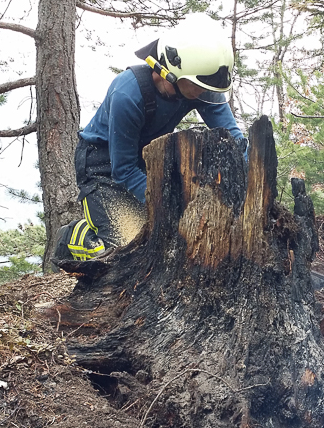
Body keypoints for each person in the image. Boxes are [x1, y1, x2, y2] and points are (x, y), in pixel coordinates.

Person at [55, 15, 247, 261]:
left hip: (146, 160)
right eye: (199, 87)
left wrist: (250, 171)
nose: (205, 93)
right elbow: (122, 170)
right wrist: (166, 203)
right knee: (123, 252)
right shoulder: (128, 94)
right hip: (102, 166)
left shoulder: (199, 79)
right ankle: (74, 236)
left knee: (167, 239)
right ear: (172, 74)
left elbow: (232, 137)